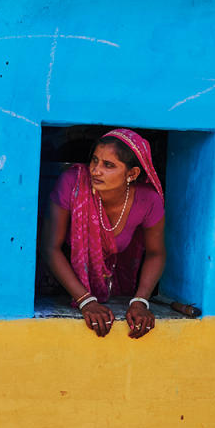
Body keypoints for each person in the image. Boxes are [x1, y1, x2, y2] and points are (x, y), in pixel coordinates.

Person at [40, 128, 166, 339]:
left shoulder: (148, 201)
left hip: (115, 282)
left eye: (108, 165)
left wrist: (140, 301)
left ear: (132, 174)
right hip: (55, 281)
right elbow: (49, 247)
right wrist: (86, 301)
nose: (95, 170)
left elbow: (156, 253)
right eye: (95, 160)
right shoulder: (72, 183)